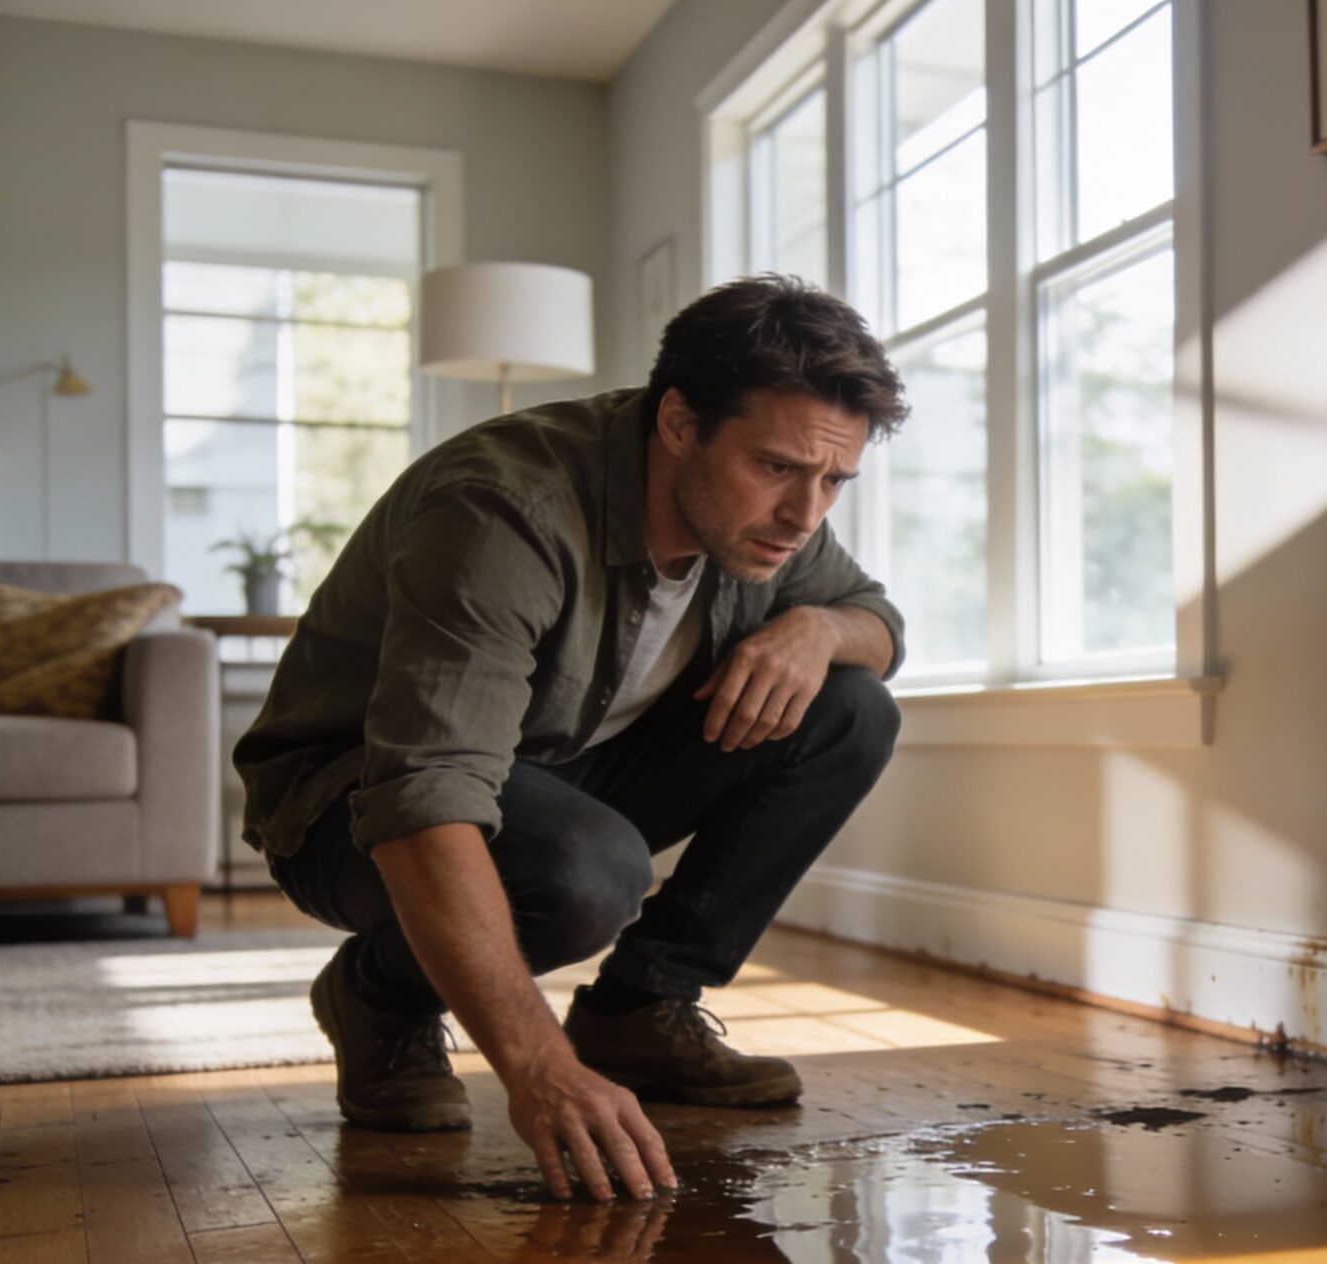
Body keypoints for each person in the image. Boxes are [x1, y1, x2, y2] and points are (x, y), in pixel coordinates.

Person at [234, 275, 909, 1204]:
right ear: (678, 422)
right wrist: (536, 1065)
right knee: (585, 870)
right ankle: (379, 992)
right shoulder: (502, 509)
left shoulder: (761, 527)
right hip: (346, 802)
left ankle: (641, 1009)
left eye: (835, 479)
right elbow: (426, 793)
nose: (805, 515)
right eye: (779, 468)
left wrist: (821, 631)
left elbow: (878, 619)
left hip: (552, 773)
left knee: (851, 706)